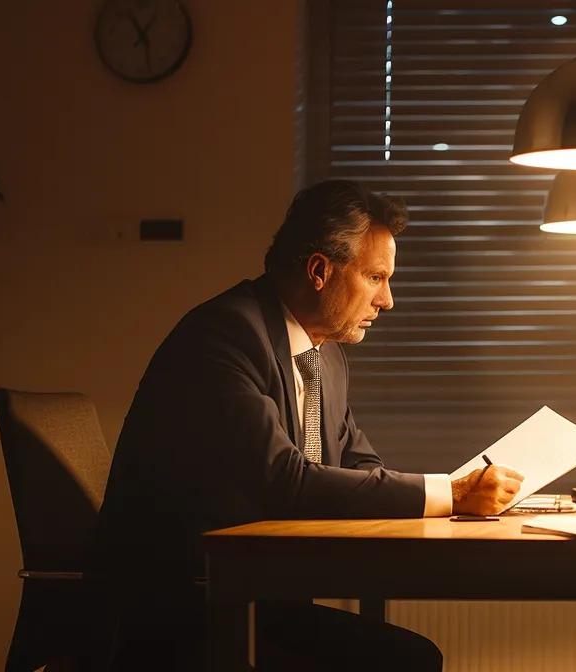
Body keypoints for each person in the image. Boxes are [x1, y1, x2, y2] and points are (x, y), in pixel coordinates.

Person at [90, 179, 524, 669]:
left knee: (409, 656)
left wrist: (456, 497)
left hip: (259, 600)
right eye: (377, 277)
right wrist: (450, 493)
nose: (388, 300)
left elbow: (360, 465)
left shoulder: (325, 357)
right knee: (406, 661)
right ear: (320, 270)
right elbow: (282, 481)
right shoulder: (225, 337)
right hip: (183, 610)